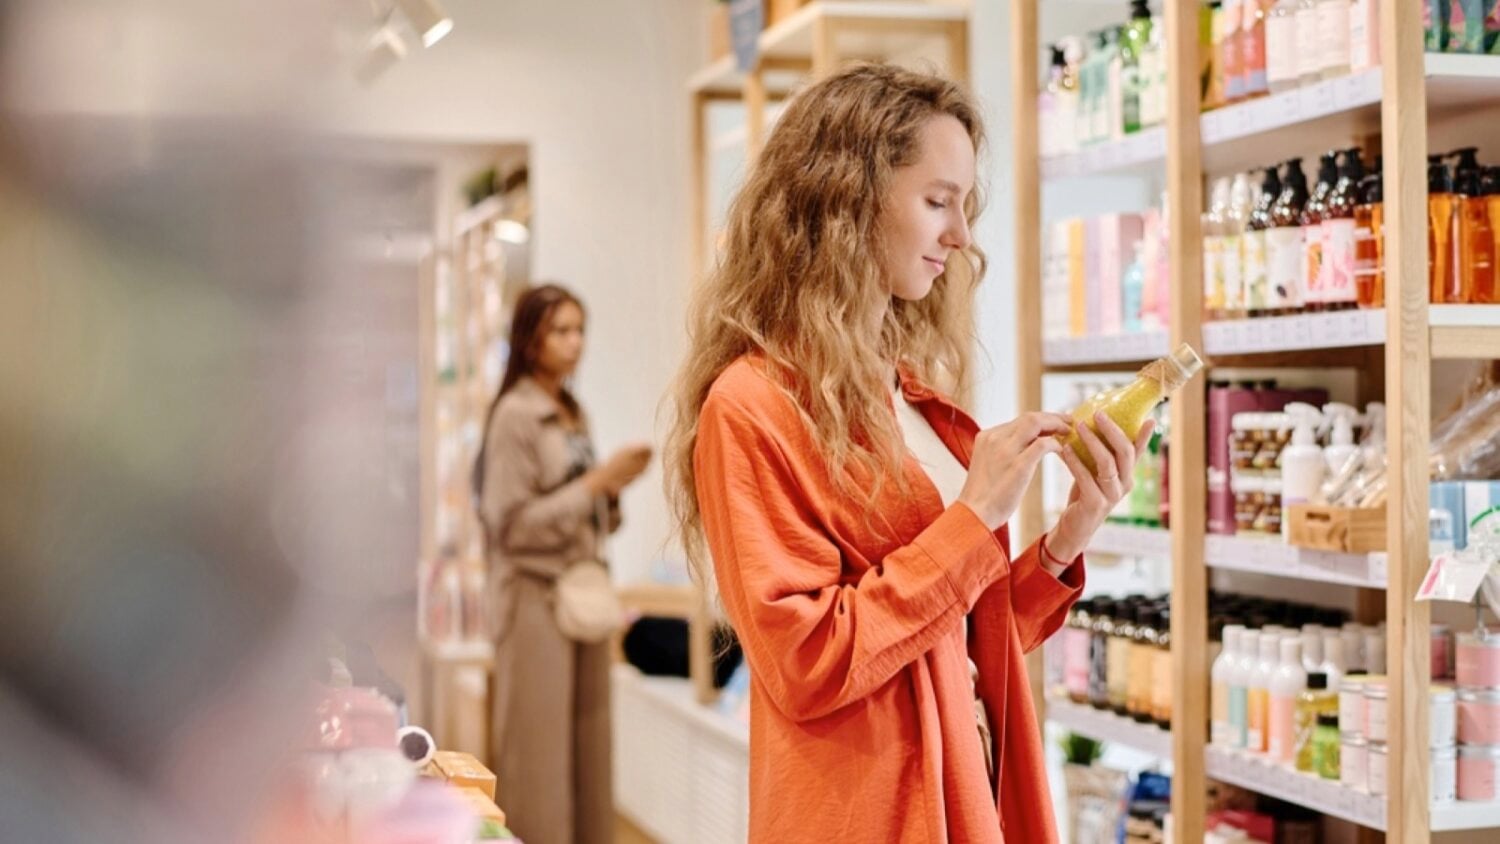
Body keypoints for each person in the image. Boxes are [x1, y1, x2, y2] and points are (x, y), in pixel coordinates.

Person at [664, 65, 1151, 842]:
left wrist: (1066, 538)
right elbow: (809, 662)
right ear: (849, 200)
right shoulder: (751, 406)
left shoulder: (906, 393)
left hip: (960, 787)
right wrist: (976, 514)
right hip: (867, 809)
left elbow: (958, 630)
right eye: (938, 202)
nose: (960, 236)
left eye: (965, 206)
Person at [475, 283, 651, 844]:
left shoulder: (574, 414)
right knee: (538, 757)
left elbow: (587, 513)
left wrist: (612, 491)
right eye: (561, 331)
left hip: (583, 592)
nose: (575, 343)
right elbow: (509, 525)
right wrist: (596, 483)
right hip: (532, 600)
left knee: (589, 749)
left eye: (580, 331)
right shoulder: (515, 416)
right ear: (530, 340)